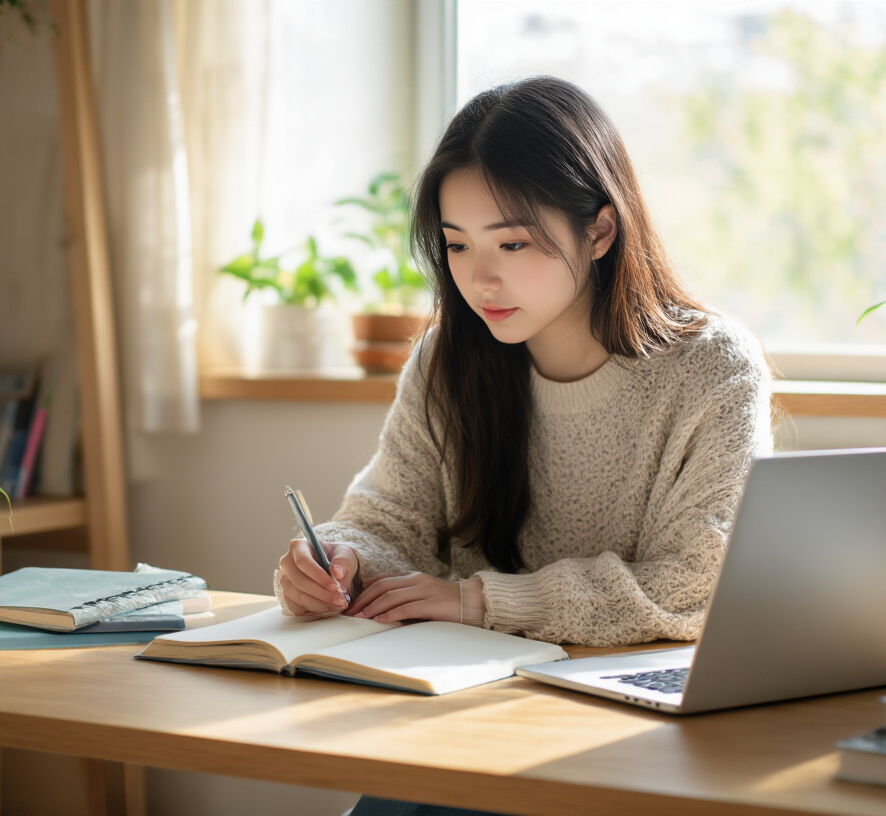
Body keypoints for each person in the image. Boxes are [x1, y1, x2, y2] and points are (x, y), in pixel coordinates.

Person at [275, 76, 774, 816]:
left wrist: (482, 601)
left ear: (600, 231)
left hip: (631, 732)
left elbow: (695, 586)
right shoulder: (449, 357)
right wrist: (336, 562)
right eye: (457, 245)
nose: (480, 278)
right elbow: (387, 518)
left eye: (512, 242)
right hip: (465, 714)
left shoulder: (713, 369)